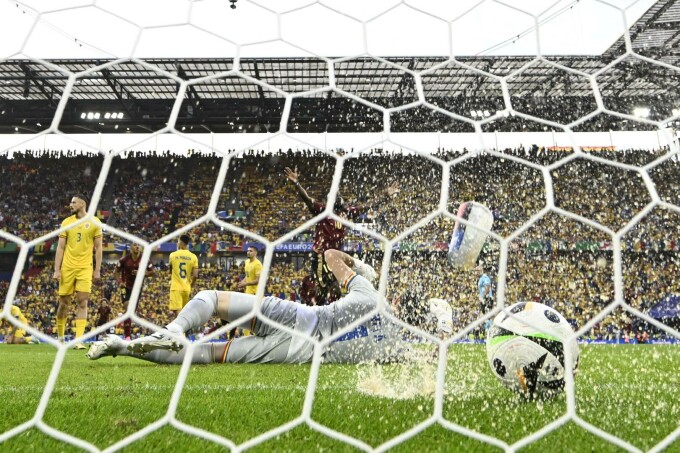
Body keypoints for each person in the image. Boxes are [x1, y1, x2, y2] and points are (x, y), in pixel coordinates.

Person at [87, 249, 414, 365]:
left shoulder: (372, 296)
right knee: (206, 354)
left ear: (398, 301)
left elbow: (329, 255)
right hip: (297, 352)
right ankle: (122, 348)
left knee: (213, 298)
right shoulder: (396, 348)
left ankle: (174, 328)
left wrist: (361, 267)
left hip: (297, 316)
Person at [283, 167, 395, 304]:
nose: (337, 197)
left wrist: (385, 195)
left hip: (336, 257)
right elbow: (307, 200)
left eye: (338, 195)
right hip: (321, 256)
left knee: (334, 290)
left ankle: (328, 311)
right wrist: (296, 183)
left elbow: (366, 206)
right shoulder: (323, 210)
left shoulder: (346, 212)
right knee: (325, 288)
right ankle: (318, 309)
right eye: (334, 195)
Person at [53, 194, 103, 348]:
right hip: (67, 267)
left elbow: (99, 248)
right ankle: (60, 338)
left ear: (82, 204)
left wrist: (97, 270)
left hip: (85, 268)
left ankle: (78, 340)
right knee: (64, 303)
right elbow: (60, 247)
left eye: (74, 202)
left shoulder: (94, 222)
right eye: (71, 202)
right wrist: (56, 270)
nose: (71, 205)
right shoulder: (66, 222)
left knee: (83, 302)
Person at [115, 243, 154, 339]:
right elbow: (116, 272)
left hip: (137, 288)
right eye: (135, 245)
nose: (137, 247)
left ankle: (125, 325)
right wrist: (120, 282)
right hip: (125, 287)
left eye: (139, 245)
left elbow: (152, 272)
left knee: (131, 312)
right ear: (131, 248)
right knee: (127, 307)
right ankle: (127, 336)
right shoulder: (124, 259)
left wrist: (141, 273)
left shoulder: (145, 259)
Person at [169, 234, 198, 316]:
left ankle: (184, 324)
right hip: (187, 288)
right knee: (184, 312)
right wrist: (191, 285)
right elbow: (195, 275)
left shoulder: (172, 255)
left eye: (178, 241)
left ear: (181, 243)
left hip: (176, 287)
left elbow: (170, 270)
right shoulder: (193, 257)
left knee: (178, 312)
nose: (177, 243)